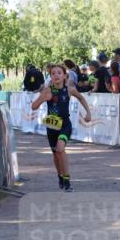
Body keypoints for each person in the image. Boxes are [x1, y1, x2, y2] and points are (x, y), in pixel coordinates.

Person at [31, 64, 91, 192]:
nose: (56, 75)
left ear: (65, 75)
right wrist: (42, 99)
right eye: (53, 73)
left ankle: (67, 180)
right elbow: (33, 106)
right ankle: (60, 176)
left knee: (60, 149)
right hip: (52, 124)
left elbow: (81, 98)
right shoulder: (47, 90)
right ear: (50, 76)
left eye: (59, 73)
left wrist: (88, 112)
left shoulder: (69, 89)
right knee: (56, 154)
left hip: (64, 124)